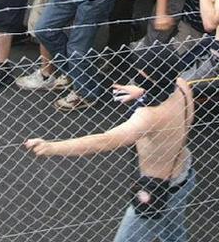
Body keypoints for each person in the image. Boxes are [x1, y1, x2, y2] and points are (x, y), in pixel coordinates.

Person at [24, 45, 195, 242]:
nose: (137, 75)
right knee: (173, 232)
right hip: (185, 173)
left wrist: (51, 147)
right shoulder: (182, 85)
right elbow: (164, 87)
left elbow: (103, 141)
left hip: (158, 189)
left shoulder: (149, 116)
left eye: (142, 73)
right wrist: (142, 92)